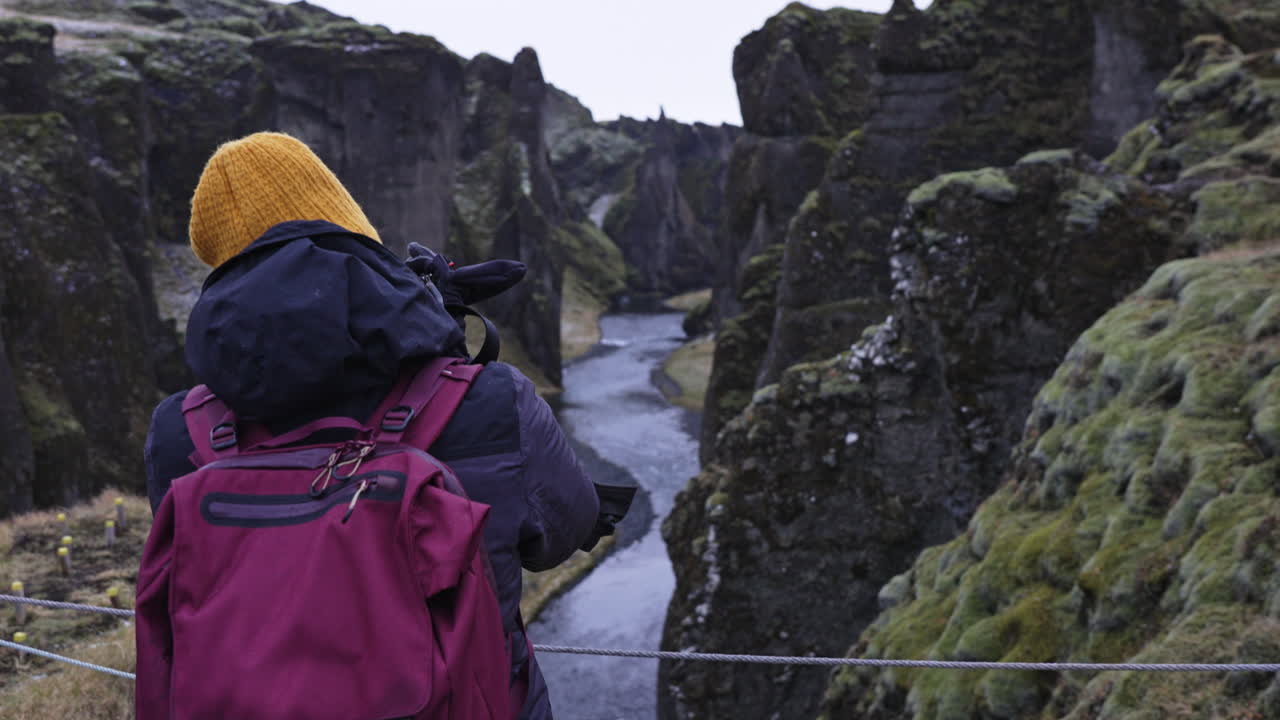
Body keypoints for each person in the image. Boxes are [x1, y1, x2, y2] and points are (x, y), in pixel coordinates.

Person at [142, 131, 600, 719]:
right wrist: (441, 338)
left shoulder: (179, 431)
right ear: (352, 231)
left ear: (221, 267)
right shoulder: (488, 399)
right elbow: (565, 530)